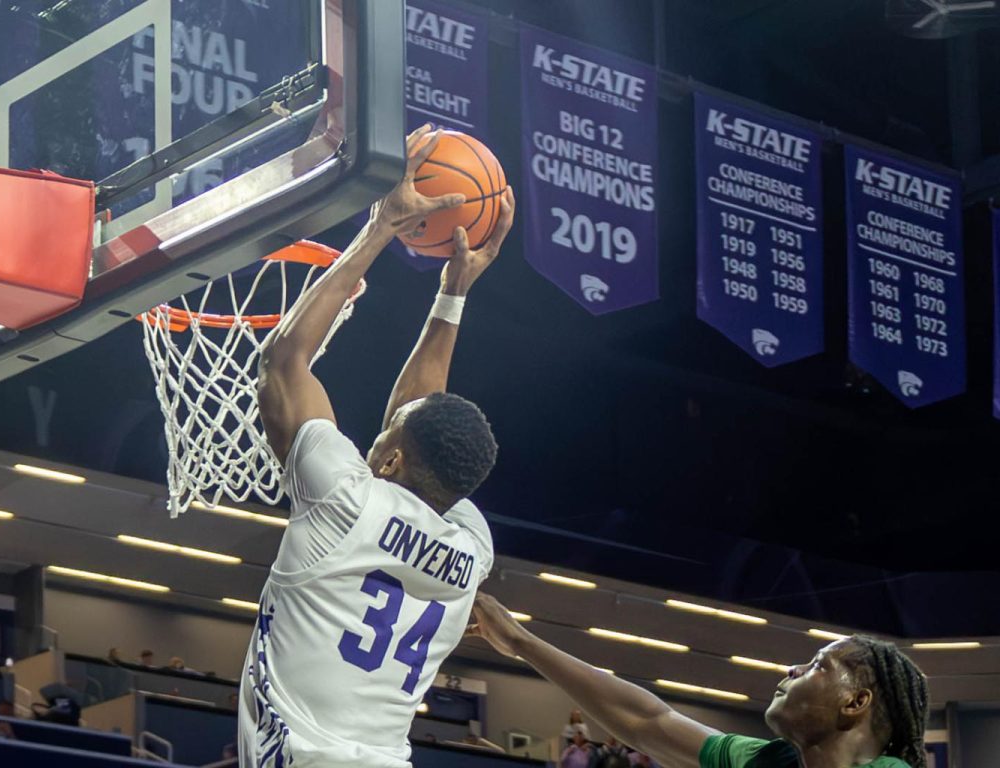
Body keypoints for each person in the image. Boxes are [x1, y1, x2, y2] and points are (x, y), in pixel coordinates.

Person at [238, 124, 516, 768]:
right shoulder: (468, 545)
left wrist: (382, 226)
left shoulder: (345, 501)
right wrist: (451, 293)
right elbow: (414, 422)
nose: (378, 435)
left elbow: (284, 362)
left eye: (384, 440)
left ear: (391, 459)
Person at [468, 594, 930, 768]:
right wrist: (519, 642)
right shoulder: (772, 761)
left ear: (855, 702)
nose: (792, 671)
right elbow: (647, 721)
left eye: (817, 666)